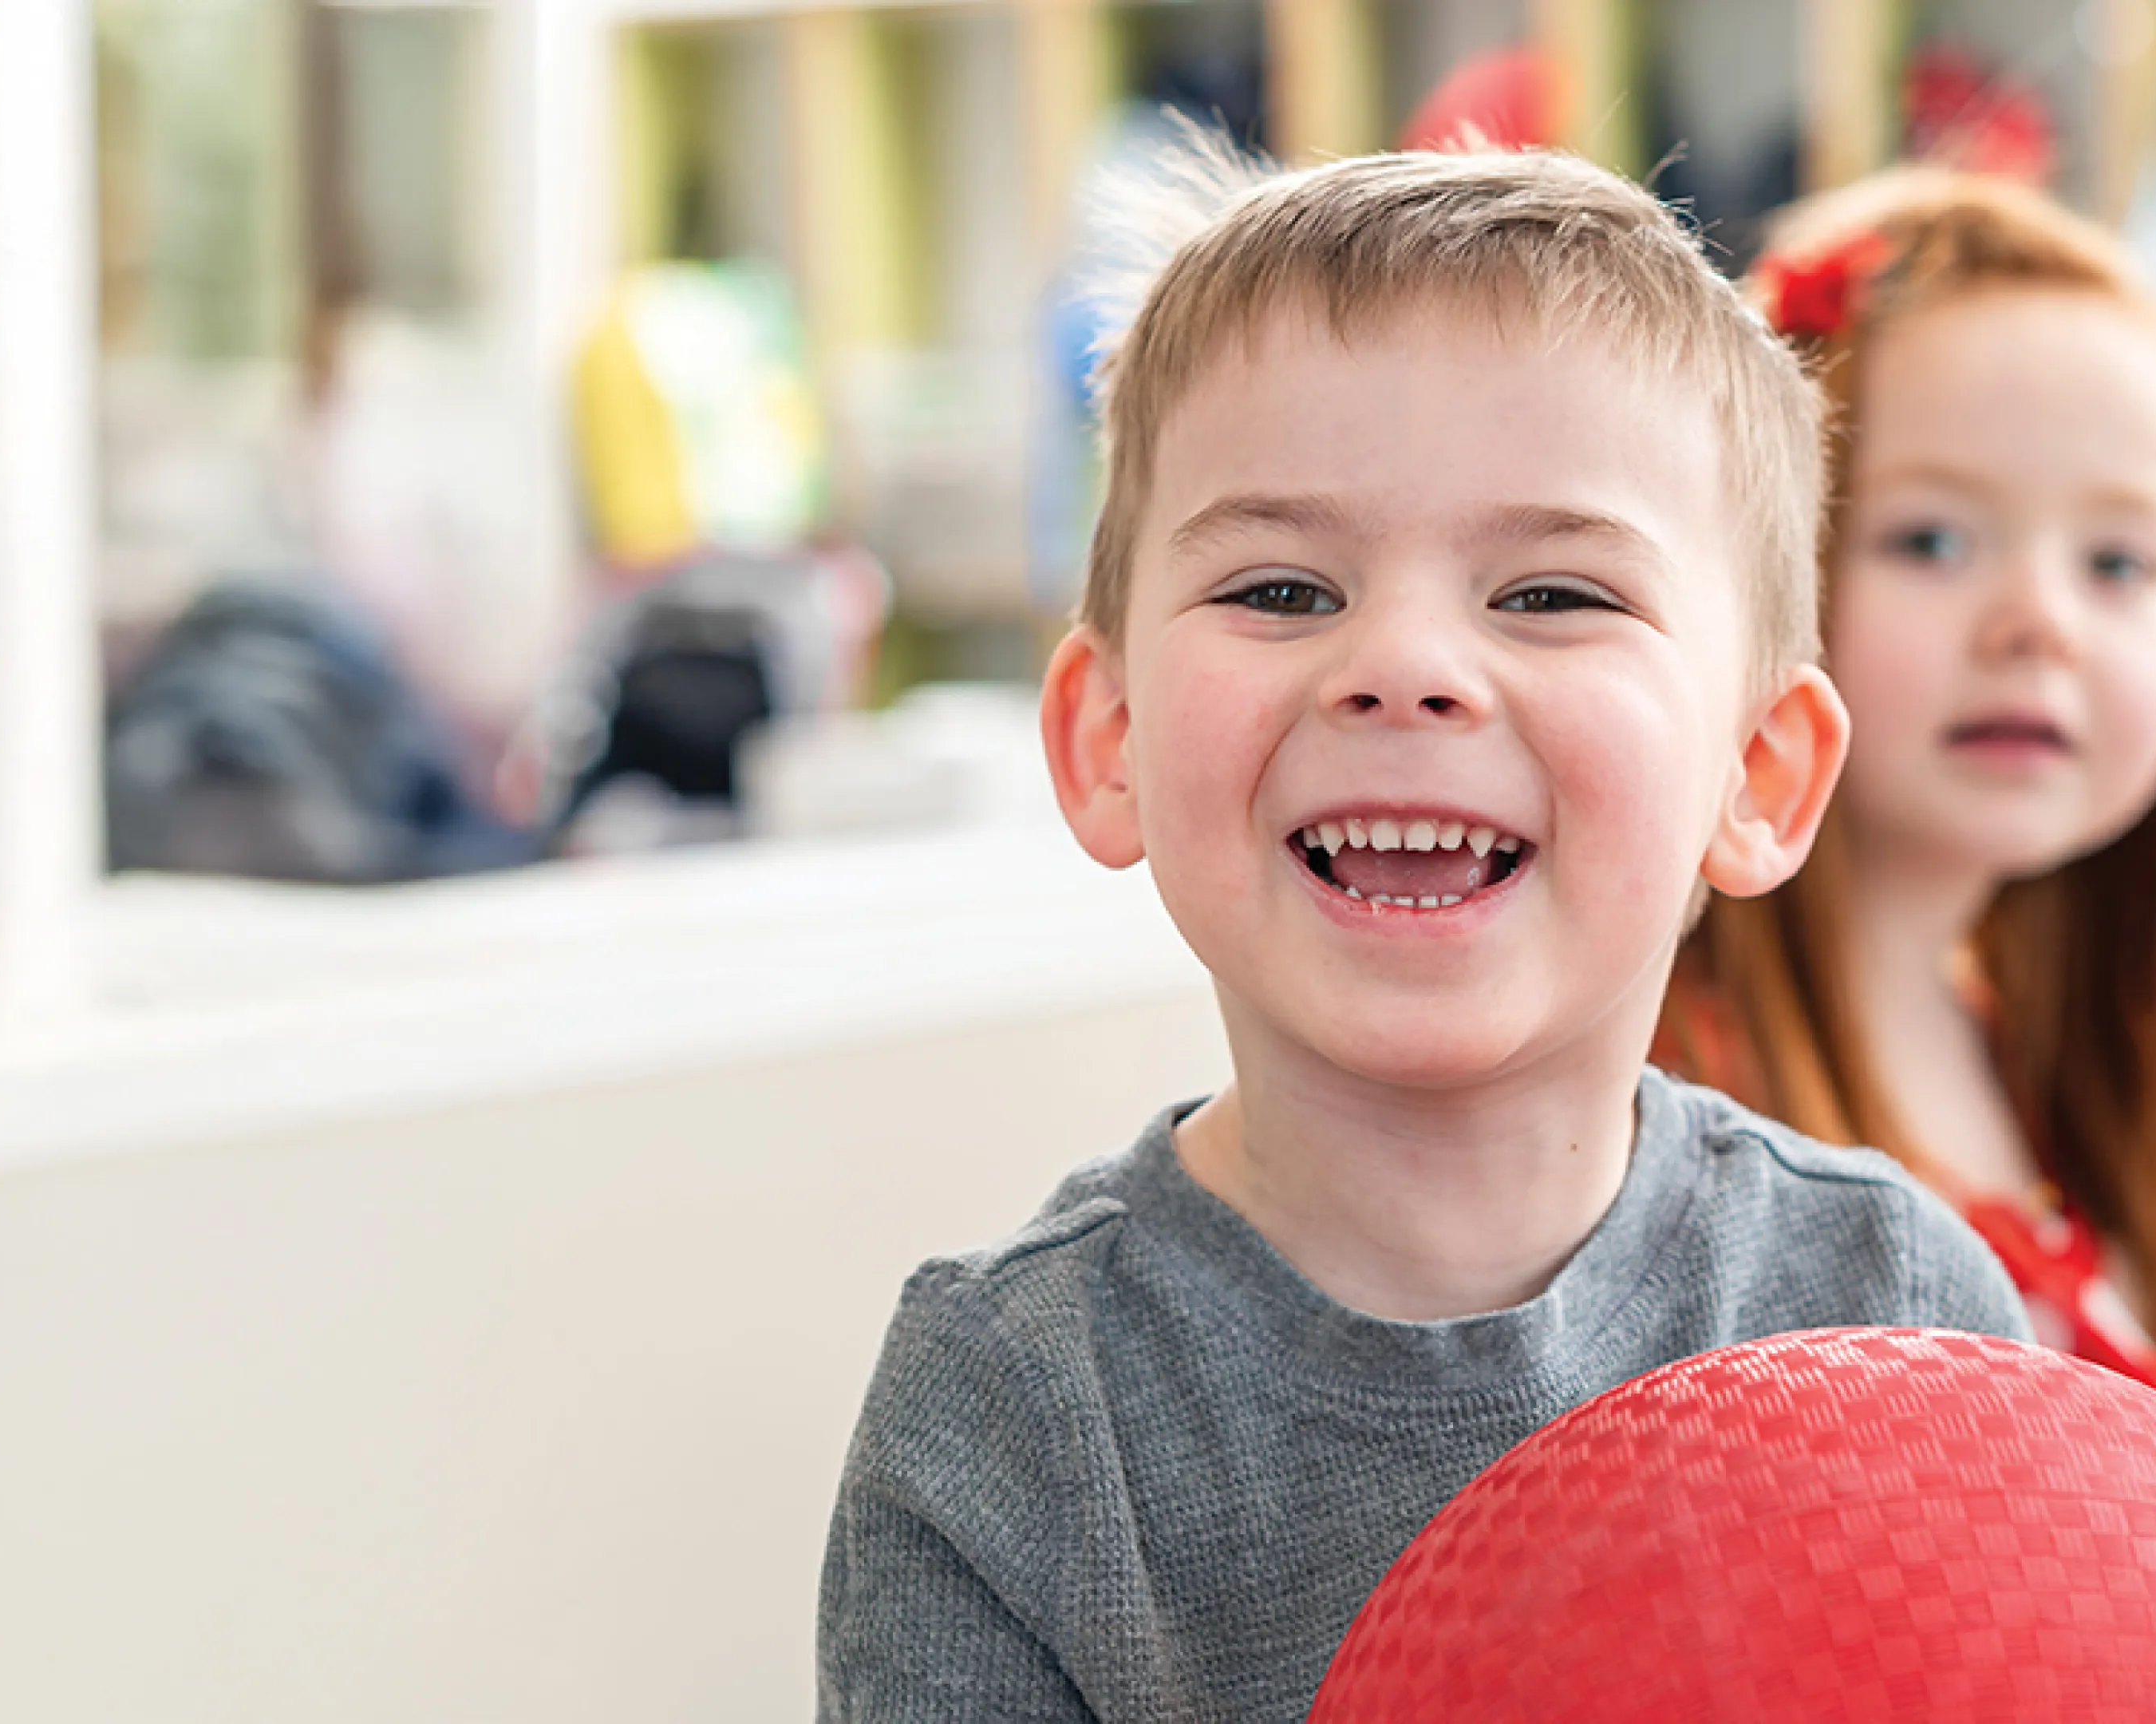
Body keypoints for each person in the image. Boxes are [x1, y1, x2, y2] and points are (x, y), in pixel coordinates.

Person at [815, 144, 2034, 1722]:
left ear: (1758, 773)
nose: (1400, 665)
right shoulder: (1013, 1415)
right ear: (1109, 736)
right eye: (1279, 589)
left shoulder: (1897, 1312)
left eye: (1549, 596)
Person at [1656, 169, 2156, 1410]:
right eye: (1930, 540)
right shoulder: (1671, 1109)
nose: (2039, 623)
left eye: (2118, 561)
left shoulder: (2025, 1042)